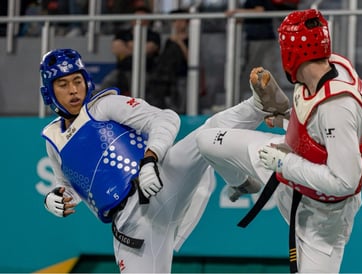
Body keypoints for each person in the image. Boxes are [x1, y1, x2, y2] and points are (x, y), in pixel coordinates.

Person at [39, 48, 289, 273]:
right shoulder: (53, 140)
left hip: (158, 181)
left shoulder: (104, 106)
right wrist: (56, 198)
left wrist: (150, 160)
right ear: (49, 92)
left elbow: (166, 119)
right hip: (130, 231)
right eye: (62, 84)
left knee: (205, 138)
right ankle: (241, 179)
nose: (73, 90)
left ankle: (258, 105)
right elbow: (69, 186)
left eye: (77, 81)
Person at [196, 9, 362, 273]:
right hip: (287, 165)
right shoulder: (328, 66)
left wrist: (284, 163)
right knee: (207, 139)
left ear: (293, 51)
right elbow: (316, 131)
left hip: (322, 215)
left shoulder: (338, 108)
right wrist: (285, 118)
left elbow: (345, 182)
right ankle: (243, 183)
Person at [226, 0, 298, 100]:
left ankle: (276, 102)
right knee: (261, 71)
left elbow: (259, 10)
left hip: (261, 39)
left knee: (260, 72)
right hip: (257, 38)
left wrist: (237, 12)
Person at [100, 6, 161, 96]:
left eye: (143, 18)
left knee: (144, 88)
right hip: (122, 70)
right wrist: (138, 47)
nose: (139, 21)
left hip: (146, 70)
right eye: (136, 17)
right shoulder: (122, 33)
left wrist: (127, 46)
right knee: (107, 83)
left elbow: (148, 49)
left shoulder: (154, 35)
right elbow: (116, 49)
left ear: (148, 20)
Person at [146, 8, 190, 113]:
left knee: (180, 107)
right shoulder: (169, 40)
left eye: (181, 20)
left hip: (182, 77)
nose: (178, 24)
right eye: (175, 21)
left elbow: (190, 59)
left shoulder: (191, 38)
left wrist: (179, 42)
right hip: (166, 78)